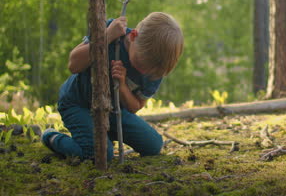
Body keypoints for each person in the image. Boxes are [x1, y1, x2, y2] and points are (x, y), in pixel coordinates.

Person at [41, 12, 184, 161]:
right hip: (78, 103)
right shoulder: (112, 31)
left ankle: (102, 136)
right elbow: (73, 64)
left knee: (154, 145)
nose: (144, 72)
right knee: (100, 155)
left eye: (150, 71)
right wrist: (106, 37)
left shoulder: (155, 68)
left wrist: (122, 86)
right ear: (134, 36)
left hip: (113, 111)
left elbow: (136, 106)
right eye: (141, 64)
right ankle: (51, 137)